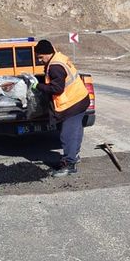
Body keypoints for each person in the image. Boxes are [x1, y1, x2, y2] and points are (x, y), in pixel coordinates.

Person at [25, 40, 91, 177]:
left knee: (68, 134)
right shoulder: (59, 57)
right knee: (76, 130)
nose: (39, 60)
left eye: (40, 57)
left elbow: (57, 89)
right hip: (81, 98)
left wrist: (37, 86)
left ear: (48, 53)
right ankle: (74, 156)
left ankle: (70, 165)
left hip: (72, 103)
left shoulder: (55, 66)